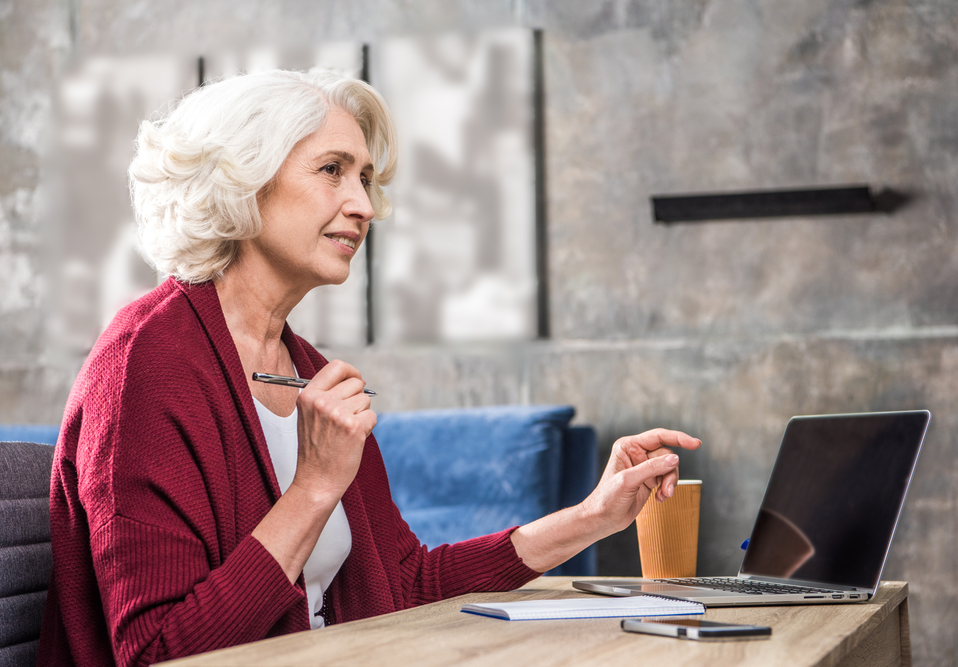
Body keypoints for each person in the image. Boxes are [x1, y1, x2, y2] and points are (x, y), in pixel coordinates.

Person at [37, 69, 701, 667]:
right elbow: (159, 652)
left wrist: (592, 515)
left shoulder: (307, 368)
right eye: (331, 169)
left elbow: (404, 582)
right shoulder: (144, 365)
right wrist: (314, 486)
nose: (365, 204)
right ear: (241, 178)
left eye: (363, 177)